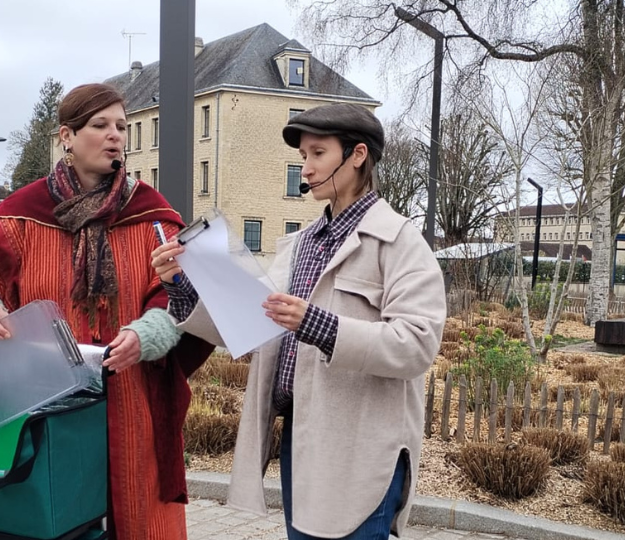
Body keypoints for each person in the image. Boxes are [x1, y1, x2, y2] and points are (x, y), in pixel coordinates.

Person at [152, 103, 446, 540]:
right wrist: (183, 285)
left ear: (357, 155)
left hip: (361, 446)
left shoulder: (400, 241)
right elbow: (254, 329)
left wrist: (317, 325)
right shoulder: (300, 243)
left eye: (317, 154)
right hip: (301, 436)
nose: (305, 168)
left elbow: (418, 345)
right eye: (303, 156)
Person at [0, 83, 213, 540]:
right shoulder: (22, 215)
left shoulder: (152, 217)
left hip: (130, 400)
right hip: (45, 401)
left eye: (122, 127)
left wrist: (148, 333)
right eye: (100, 125)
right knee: (54, 512)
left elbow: (177, 298)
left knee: (132, 513)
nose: (115, 136)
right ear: (67, 135)